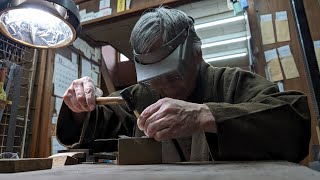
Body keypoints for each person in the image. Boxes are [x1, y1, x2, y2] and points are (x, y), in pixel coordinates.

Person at [57, 7, 310, 163]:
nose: (163, 89)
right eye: (154, 80)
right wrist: (80, 106)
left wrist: (205, 115)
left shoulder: (230, 83)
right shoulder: (142, 95)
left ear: (197, 56)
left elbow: (294, 120)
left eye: (172, 76)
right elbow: (97, 128)